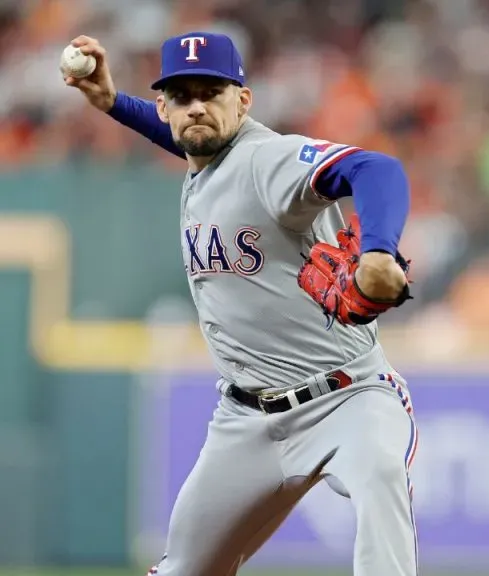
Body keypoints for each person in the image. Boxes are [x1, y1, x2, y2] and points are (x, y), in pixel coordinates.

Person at [64, 32, 419, 576]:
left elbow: (376, 169)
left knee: (381, 486)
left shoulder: (265, 160)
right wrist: (113, 102)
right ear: (164, 106)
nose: (197, 107)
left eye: (213, 91)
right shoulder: (205, 155)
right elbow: (192, 137)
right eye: (182, 96)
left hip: (347, 400)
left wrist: (378, 250)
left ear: (244, 100)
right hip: (245, 423)